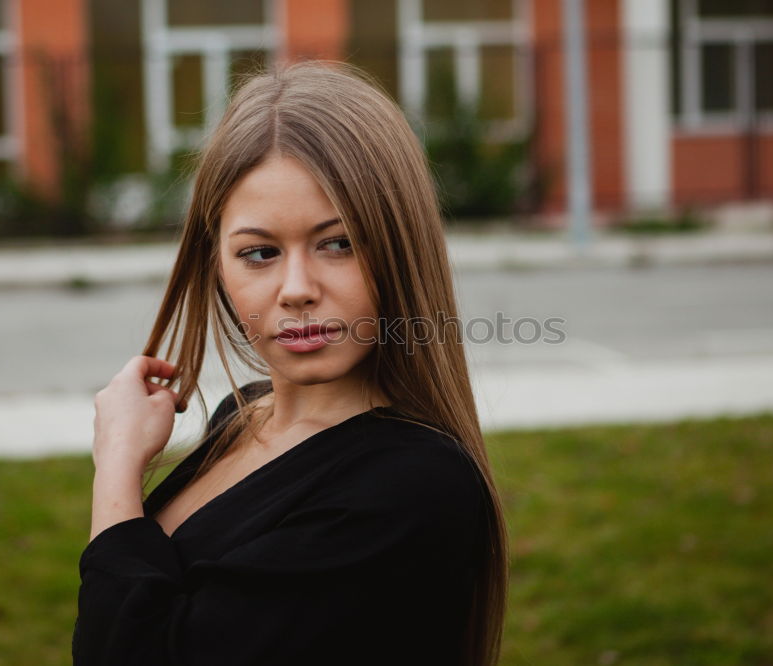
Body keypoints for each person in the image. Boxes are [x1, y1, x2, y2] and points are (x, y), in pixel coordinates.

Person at [72, 61, 509, 666]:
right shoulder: (242, 414)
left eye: (339, 243)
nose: (296, 288)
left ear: (400, 247)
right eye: (259, 252)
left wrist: (116, 469)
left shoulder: (410, 486)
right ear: (216, 264)